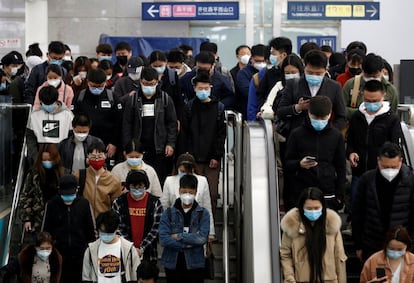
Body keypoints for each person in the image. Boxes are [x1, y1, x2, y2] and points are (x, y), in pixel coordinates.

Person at [346, 81, 403, 212]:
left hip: (380, 172)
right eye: (367, 100)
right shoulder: (357, 117)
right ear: (362, 96)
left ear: (383, 96)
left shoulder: (391, 119)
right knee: (357, 204)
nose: (371, 104)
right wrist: (351, 153)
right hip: (359, 172)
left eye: (375, 100)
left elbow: (394, 146)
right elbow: (350, 141)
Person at [352, 142, 414, 261]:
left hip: (401, 245)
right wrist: (359, 245)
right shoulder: (367, 180)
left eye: (394, 167)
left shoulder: (410, 181)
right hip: (372, 244)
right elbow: (358, 213)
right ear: (378, 161)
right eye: (385, 167)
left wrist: (410, 244)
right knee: (376, 277)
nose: (390, 171)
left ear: (401, 161)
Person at [283, 96, 346, 211]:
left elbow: (341, 166)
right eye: (316, 117)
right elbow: (287, 163)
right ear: (309, 113)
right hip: (302, 192)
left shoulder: (336, 136)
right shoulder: (297, 134)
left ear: (330, 114)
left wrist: (340, 195)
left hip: (328, 193)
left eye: (323, 117)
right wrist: (299, 164)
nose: (319, 121)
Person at [122, 67, 177, 185]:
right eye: (146, 84)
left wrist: (170, 144)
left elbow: (172, 123)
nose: (149, 87)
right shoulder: (133, 100)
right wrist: (127, 146)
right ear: (140, 82)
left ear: (157, 82)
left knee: (159, 180)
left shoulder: (165, 99)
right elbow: (127, 124)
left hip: (159, 148)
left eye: (152, 84)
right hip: (139, 148)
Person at [280, 187, 347, 283]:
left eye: (316, 208)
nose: (313, 211)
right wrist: (290, 279)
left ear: (323, 207)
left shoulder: (331, 225)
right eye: (309, 208)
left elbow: (339, 257)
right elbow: (285, 255)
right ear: (301, 208)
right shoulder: (292, 225)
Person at [276, 49, 346, 139]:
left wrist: (331, 132)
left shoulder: (334, 87)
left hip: (325, 138)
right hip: (299, 138)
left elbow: (342, 116)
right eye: (310, 72)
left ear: (325, 70)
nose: (314, 76)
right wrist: (298, 107)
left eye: (318, 73)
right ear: (304, 67)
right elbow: (280, 111)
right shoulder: (292, 84)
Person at [182, 71, 226, 215]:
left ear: (211, 88)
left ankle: (209, 226)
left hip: (211, 159)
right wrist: (187, 155)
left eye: (206, 88)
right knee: (192, 193)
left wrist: (216, 155)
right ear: (194, 88)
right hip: (193, 158)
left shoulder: (219, 108)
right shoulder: (189, 107)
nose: (203, 91)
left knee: (212, 194)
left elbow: (221, 134)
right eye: (200, 88)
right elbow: (185, 133)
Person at [42, 175, 96, 283]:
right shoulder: (52, 204)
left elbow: (91, 231)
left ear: (77, 189)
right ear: (59, 190)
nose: (68, 197)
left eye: (71, 194)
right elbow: (45, 232)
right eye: (65, 194)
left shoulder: (84, 204)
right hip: (58, 254)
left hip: (81, 254)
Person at [159, 175, 210, 283]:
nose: (187, 195)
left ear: (196, 192)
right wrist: (187, 244)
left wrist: (179, 236)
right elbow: (163, 239)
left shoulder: (203, 214)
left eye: (190, 192)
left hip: (195, 264)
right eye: (184, 191)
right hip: (172, 263)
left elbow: (202, 238)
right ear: (179, 190)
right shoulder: (168, 213)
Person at [72, 68, 123, 169]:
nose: (96, 89)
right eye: (93, 86)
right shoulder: (80, 97)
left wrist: (114, 143)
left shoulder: (112, 97)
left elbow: (119, 121)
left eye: (100, 86)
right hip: (85, 142)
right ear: (88, 82)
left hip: (107, 144)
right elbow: (73, 119)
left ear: (105, 83)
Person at [112, 170, 163, 263]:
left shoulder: (155, 203)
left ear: (145, 185)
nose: (137, 189)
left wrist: (142, 248)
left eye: (140, 186)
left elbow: (156, 229)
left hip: (149, 252)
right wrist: (131, 248)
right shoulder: (119, 202)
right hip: (124, 252)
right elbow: (117, 228)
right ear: (128, 186)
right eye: (133, 186)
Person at [161, 153, 215, 239]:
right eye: (182, 171)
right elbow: (164, 207)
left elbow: (207, 207)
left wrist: (211, 233)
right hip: (174, 229)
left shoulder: (202, 181)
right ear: (177, 168)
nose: (185, 174)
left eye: (188, 172)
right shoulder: (169, 181)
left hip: (197, 228)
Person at [82, 210, 140, 283]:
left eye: (109, 232)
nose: (106, 234)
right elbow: (86, 278)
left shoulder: (128, 249)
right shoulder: (91, 250)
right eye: (102, 231)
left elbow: (136, 276)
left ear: (116, 229)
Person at [20, 144, 65, 233]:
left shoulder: (63, 173)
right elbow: (25, 196)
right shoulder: (34, 173)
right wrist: (27, 218)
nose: (47, 162)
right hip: (38, 218)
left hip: (60, 217)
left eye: (49, 159)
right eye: (44, 160)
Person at [26, 85, 74, 164]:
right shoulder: (34, 115)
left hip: (61, 156)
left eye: (50, 103)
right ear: (41, 101)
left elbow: (71, 137)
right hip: (40, 155)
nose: (48, 106)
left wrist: (66, 156)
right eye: (45, 103)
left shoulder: (68, 115)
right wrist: (35, 157)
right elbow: (30, 138)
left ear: (56, 100)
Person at [343, 53, 399, 119]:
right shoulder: (351, 84)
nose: (371, 78)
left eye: (375, 76)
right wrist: (361, 112)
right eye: (368, 76)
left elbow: (393, 115)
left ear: (381, 71)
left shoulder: (390, 90)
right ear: (362, 70)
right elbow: (341, 109)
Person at [75, 141, 122, 218]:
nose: (96, 160)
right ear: (88, 157)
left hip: (104, 221)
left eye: (99, 157)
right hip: (83, 219)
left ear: (105, 156)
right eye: (93, 157)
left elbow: (116, 204)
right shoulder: (78, 175)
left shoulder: (114, 180)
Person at [261, 53, 304, 120]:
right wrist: (267, 113)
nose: (290, 76)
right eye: (287, 73)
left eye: (293, 72)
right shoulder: (279, 86)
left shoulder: (305, 86)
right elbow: (268, 105)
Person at [256, 36, 292, 108]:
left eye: (273, 54)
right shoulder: (270, 73)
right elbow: (261, 94)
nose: (271, 57)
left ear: (284, 55)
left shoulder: (295, 72)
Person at [235, 44, 266, 118]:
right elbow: (247, 93)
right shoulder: (243, 73)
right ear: (251, 58)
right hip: (249, 113)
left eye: (263, 61)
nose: (261, 64)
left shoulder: (269, 72)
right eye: (258, 61)